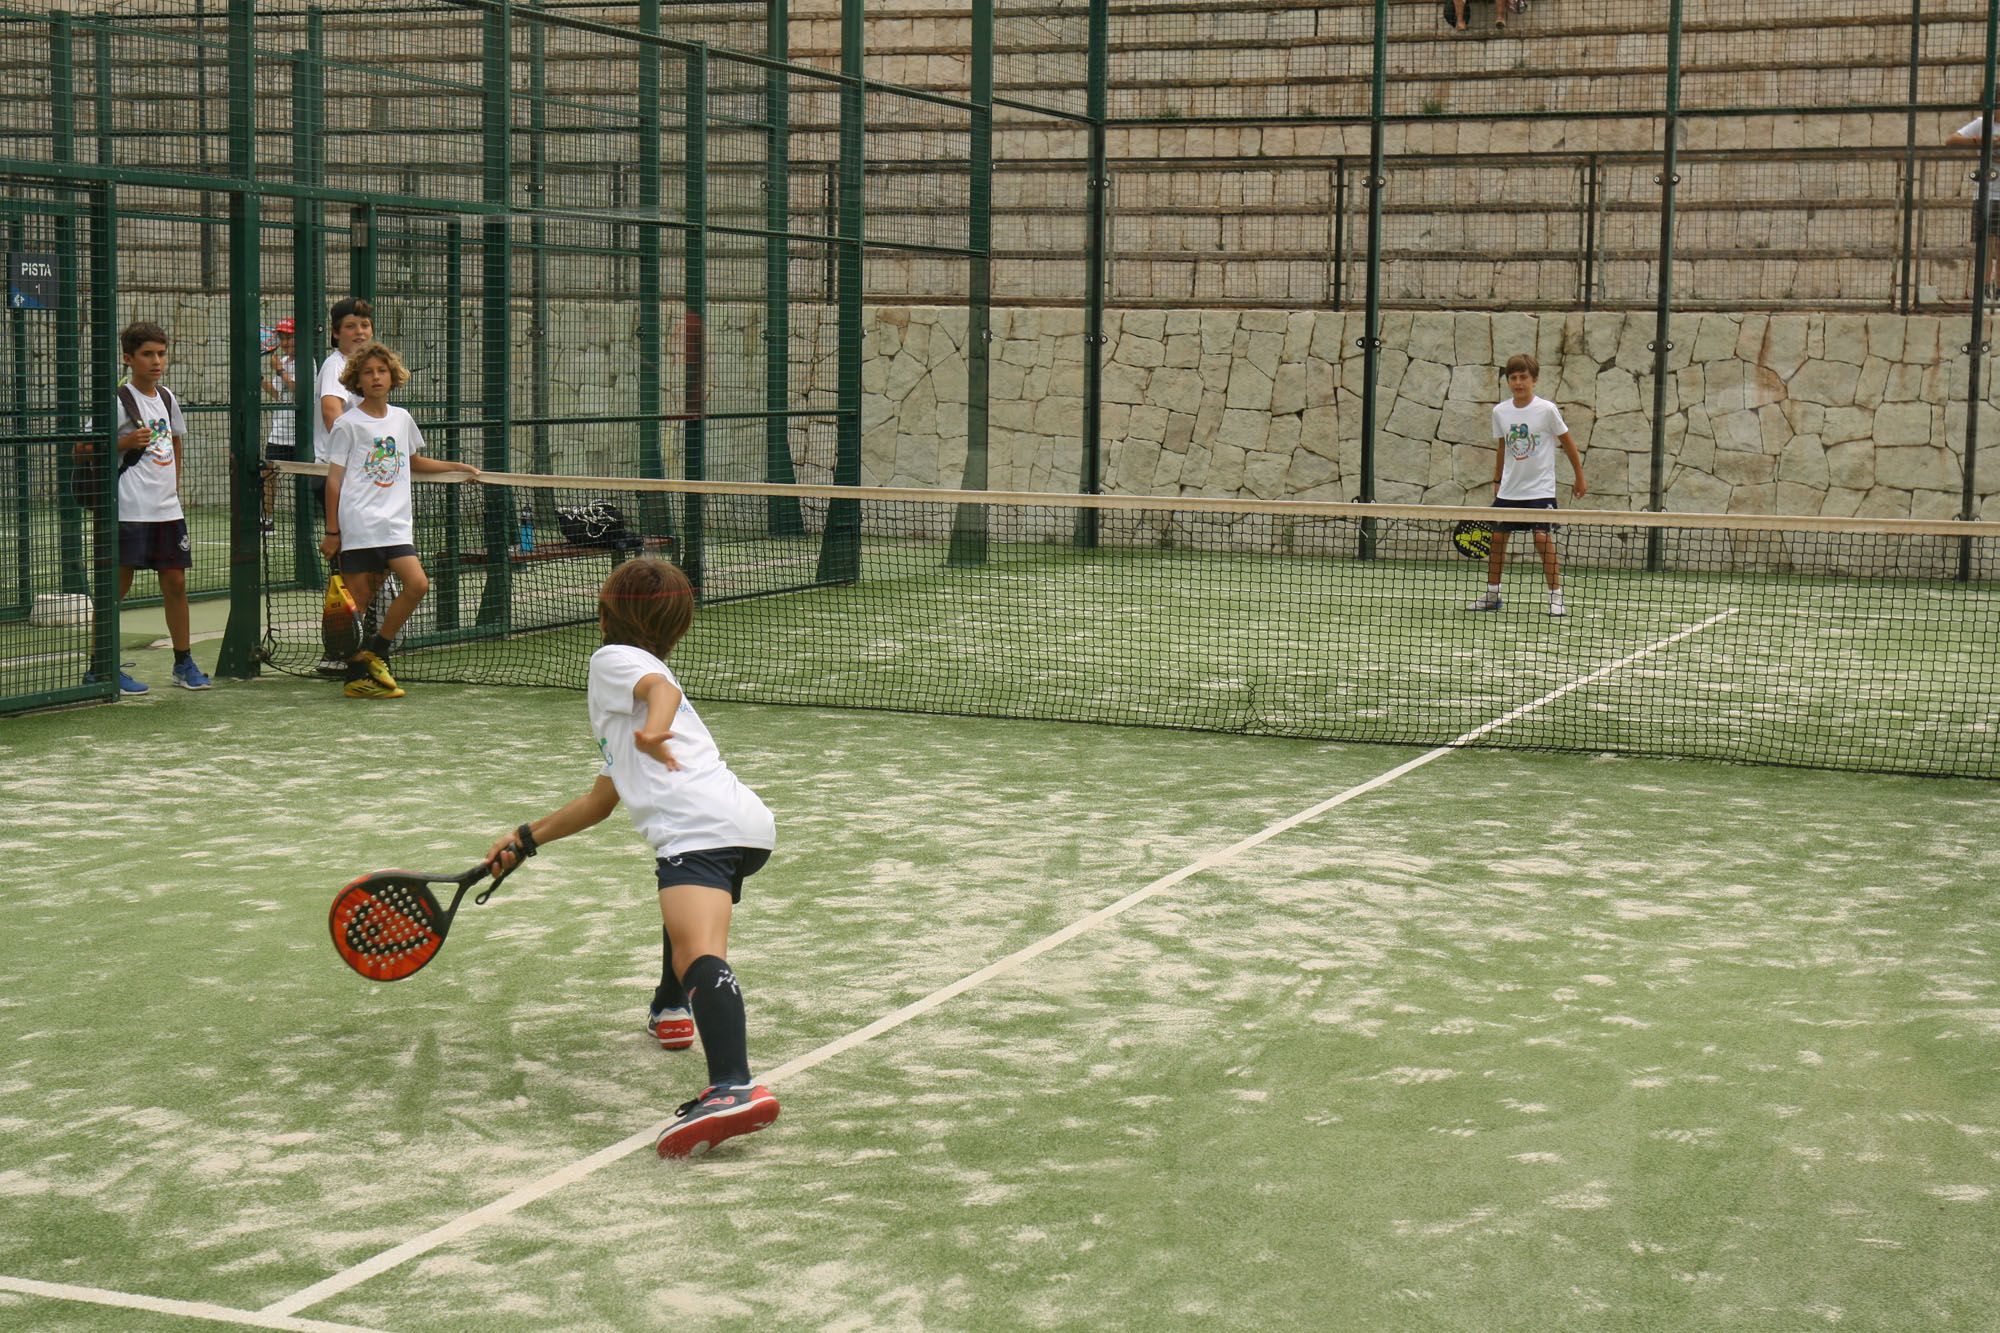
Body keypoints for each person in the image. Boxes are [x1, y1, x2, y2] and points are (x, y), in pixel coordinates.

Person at [484, 557, 781, 1160]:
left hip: (696, 828)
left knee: (698, 948)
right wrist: (525, 838)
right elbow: (602, 798)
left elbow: (660, 693)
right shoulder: (631, 699)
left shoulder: (616, 662)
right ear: (680, 623)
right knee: (682, 929)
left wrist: (656, 729)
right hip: (739, 827)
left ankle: (732, 1087)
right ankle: (670, 1008)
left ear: (605, 611)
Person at [318, 341, 479, 699]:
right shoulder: (347, 424)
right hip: (359, 524)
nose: (375, 377)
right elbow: (334, 480)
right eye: (368, 372)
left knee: (417, 584)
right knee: (358, 604)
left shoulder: (402, 418)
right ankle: (357, 677)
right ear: (357, 380)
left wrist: (457, 467)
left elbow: (414, 462)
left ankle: (379, 650)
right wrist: (333, 532)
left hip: (396, 525)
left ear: (392, 377)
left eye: (381, 371)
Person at [84, 322, 211, 694]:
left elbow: (175, 441)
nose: (157, 361)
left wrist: (175, 485)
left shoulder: (167, 397)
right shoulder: (116, 399)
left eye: (161, 353)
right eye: (147, 354)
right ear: (128, 358)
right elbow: (84, 446)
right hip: (128, 509)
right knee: (115, 589)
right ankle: (100, 667)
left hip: (166, 511)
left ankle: (183, 662)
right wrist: (123, 442)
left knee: (176, 583)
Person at [1468, 353, 1586, 617]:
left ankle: (1556, 598)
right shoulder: (1500, 412)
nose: (1518, 383)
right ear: (1508, 381)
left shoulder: (1547, 410)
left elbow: (1567, 442)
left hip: (1540, 490)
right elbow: (1502, 448)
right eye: (1513, 378)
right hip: (1510, 490)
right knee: (1497, 538)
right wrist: (1497, 480)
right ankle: (1492, 594)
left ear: (1534, 380)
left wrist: (1579, 476)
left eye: (1523, 378)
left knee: (1542, 538)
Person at [1945, 115, 2000, 299]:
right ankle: (1984, 290)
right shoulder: (1983, 122)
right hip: (1986, 194)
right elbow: (1951, 140)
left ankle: (1998, 290)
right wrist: (1980, 140)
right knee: (1985, 246)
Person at [260, 316, 298, 532]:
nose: (284, 343)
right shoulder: (282, 362)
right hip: (279, 433)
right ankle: (267, 519)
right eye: (282, 338)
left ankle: (307, 520)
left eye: (289, 338)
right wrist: (260, 379)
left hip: (300, 435)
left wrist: (280, 372)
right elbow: (278, 395)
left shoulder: (307, 362)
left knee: (305, 479)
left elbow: (298, 391)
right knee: (267, 473)